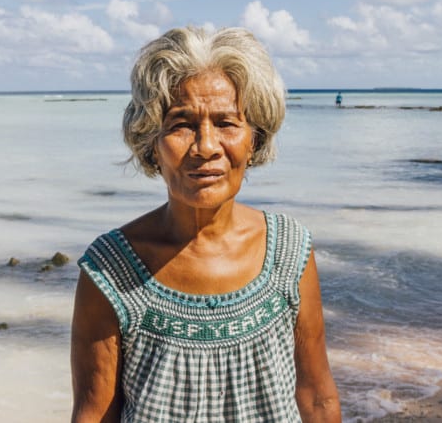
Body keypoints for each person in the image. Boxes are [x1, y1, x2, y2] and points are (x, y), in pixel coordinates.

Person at [70, 27, 340, 422]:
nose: (207, 146)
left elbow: (317, 397)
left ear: (254, 139)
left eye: (227, 123)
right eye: (182, 124)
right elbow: (94, 413)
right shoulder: (110, 270)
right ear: (151, 142)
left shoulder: (289, 251)